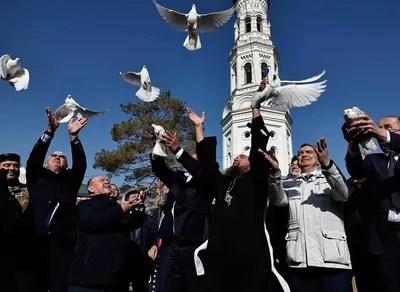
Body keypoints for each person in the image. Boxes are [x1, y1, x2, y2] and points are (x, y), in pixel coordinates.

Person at [194, 91, 289, 292]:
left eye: (243, 156)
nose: (237, 156)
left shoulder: (256, 181)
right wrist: (198, 128)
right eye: (237, 156)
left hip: (249, 252)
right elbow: (207, 164)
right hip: (220, 251)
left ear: (252, 165)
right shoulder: (223, 182)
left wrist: (255, 107)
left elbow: (258, 143)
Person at [265, 140, 351, 292]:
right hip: (300, 260)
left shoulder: (329, 178)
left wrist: (328, 165)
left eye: (309, 152)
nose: (304, 155)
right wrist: (275, 173)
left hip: (333, 261)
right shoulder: (289, 184)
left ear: (318, 158)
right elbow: (277, 200)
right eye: (300, 153)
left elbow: (343, 194)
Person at [150, 110, 213, 292]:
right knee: (167, 286)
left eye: (196, 159)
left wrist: (178, 149)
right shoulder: (178, 179)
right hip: (170, 243)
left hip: (193, 243)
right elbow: (160, 169)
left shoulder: (208, 181)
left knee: (193, 286)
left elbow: (201, 170)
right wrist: (158, 147)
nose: (193, 159)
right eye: (191, 157)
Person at [26, 107, 88, 292]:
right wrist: (49, 133)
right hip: (33, 240)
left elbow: (81, 165)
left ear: (66, 165)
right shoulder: (37, 176)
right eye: (53, 156)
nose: (57, 158)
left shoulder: (71, 179)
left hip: (62, 243)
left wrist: (74, 138)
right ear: (46, 162)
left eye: (62, 157)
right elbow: (34, 158)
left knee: (59, 285)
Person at [344, 114, 400, 292]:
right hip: (386, 238)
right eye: (379, 127)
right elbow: (356, 169)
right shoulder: (375, 161)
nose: (381, 131)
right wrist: (353, 144)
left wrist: (380, 132)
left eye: (388, 127)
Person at [68, 176, 144, 292]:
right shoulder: (85, 206)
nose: (107, 181)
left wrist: (138, 206)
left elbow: (131, 224)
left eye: (108, 180)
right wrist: (121, 209)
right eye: (101, 180)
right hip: (89, 280)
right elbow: (92, 221)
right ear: (91, 189)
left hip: (116, 279)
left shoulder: (116, 208)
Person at [0, 153, 36, 292]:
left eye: (15, 165)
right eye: (6, 165)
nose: (11, 168)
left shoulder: (28, 190)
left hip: (23, 253)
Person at [266, 155, 300, 287]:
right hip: (279, 239)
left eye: (298, 164)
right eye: (292, 164)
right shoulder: (281, 185)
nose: (295, 166)